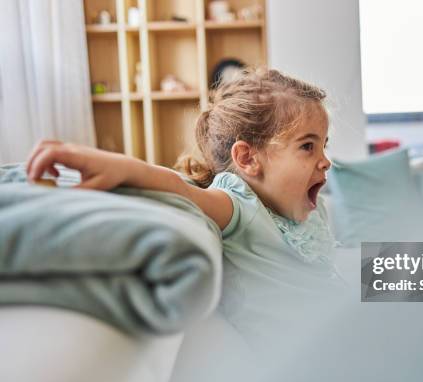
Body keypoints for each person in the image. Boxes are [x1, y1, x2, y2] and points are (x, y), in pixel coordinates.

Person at [25, 68, 347, 347]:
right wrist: (121, 167)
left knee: (392, 276)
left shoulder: (305, 211)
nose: (325, 161)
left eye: (323, 145)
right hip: (310, 360)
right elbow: (181, 189)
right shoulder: (240, 208)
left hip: (341, 331)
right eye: (307, 146)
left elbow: (330, 276)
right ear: (248, 159)